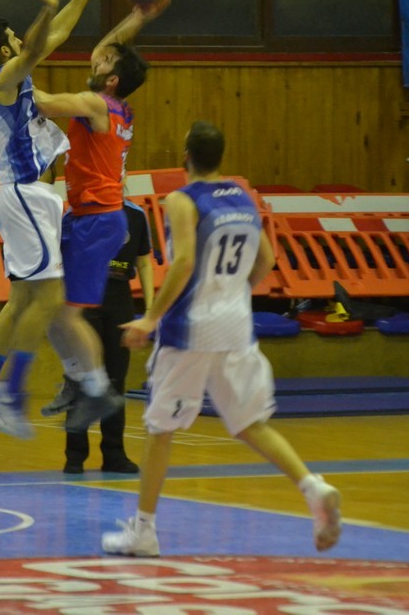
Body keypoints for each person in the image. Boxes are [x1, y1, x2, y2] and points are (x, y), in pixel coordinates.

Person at [101, 121, 342, 556]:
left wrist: (150, 318)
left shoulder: (182, 199)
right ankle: (313, 487)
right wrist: (230, 293)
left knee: (160, 429)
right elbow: (266, 259)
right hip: (235, 325)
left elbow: (184, 263)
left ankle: (144, 531)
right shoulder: (242, 198)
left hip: (190, 329)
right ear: (220, 157)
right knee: (250, 424)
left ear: (185, 156)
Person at [0, 0, 126, 439]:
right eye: (14, 38)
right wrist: (47, 5)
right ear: (5, 50)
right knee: (50, 297)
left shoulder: (17, 74)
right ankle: (12, 394)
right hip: (25, 194)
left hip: (29, 198)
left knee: (22, 302)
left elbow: (56, 36)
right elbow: (35, 46)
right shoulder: (2, 79)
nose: (23, 41)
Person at [32, 0, 167, 433]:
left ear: (111, 79)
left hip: (99, 221)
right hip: (85, 218)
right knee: (49, 304)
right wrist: (139, 17)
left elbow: (43, 103)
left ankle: (96, 388)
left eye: (104, 61)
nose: (96, 55)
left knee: (68, 314)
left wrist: (14, 64)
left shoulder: (95, 104)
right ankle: (78, 378)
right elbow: (107, 47)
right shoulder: (116, 104)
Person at [42, 199, 154, 474]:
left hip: (119, 298)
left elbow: (144, 262)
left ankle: (114, 453)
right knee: (82, 375)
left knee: (116, 378)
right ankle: (75, 455)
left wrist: (150, 311)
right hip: (83, 295)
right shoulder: (78, 212)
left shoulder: (136, 214)